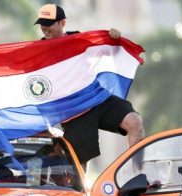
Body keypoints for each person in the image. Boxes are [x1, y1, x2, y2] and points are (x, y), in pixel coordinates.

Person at [34, 4, 145, 164]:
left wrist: (114, 40)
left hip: (97, 99)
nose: (45, 28)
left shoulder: (80, 40)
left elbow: (109, 53)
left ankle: (138, 178)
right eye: (42, 23)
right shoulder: (38, 53)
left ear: (62, 23)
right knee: (80, 165)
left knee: (135, 122)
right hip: (73, 112)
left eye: (49, 23)